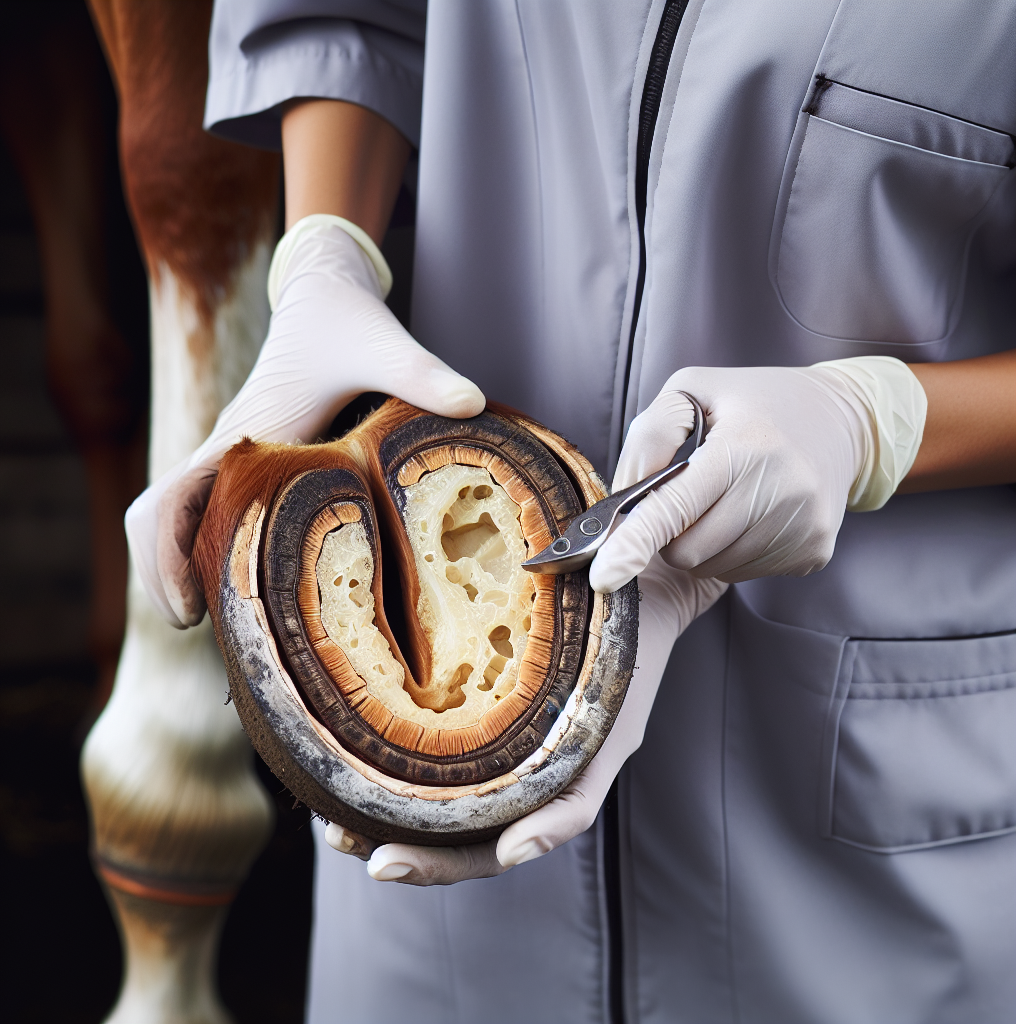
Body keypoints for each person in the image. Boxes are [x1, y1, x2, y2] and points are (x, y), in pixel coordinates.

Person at [126, 2, 1016, 1021]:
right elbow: (346, 18)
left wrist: (878, 422)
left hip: (865, 882)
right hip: (440, 913)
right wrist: (326, 249)